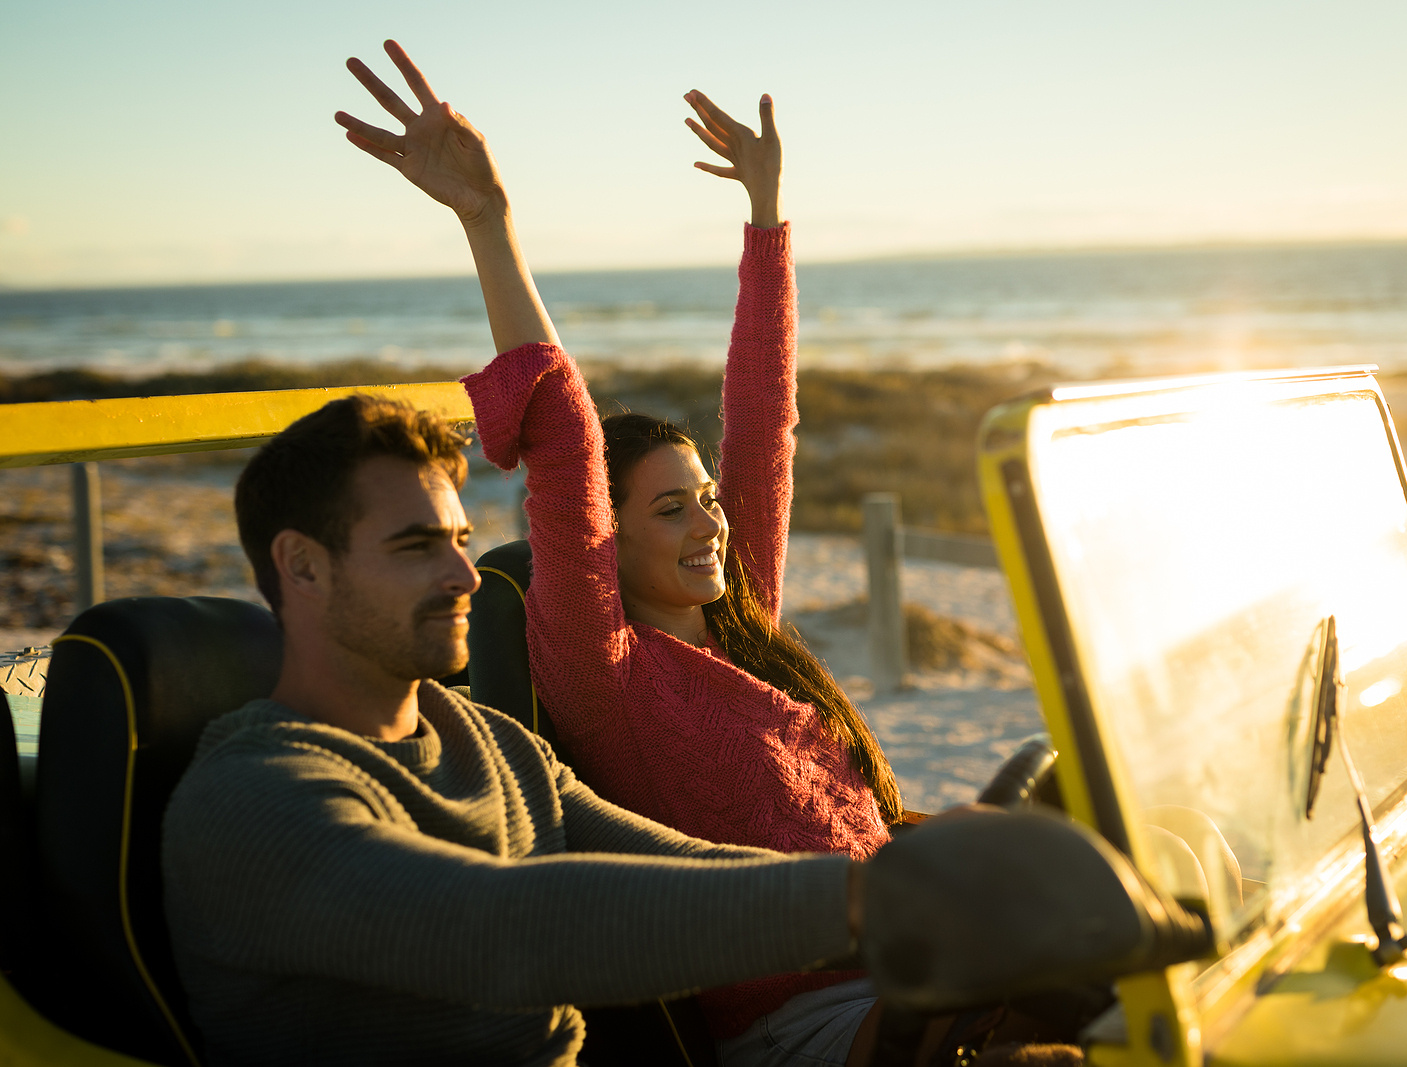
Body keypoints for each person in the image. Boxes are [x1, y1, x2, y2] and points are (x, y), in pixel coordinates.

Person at [160, 391, 1189, 1067]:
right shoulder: (258, 796)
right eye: (417, 544)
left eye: (465, 539)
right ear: (300, 565)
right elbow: (504, 927)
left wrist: (932, 875)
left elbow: (693, 864)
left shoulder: (495, 748)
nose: (469, 574)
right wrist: (878, 897)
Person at [331, 38, 902, 1062]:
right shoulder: (610, 672)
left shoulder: (744, 620)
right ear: (609, 539)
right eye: (673, 509)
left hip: (906, 952)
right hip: (807, 1022)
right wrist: (487, 217)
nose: (710, 522)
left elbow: (764, 418)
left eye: (710, 500)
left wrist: (766, 212)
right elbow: (564, 435)